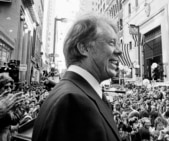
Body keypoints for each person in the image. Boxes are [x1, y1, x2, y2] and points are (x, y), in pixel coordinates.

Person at [32, 13, 122, 141]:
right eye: (112, 43)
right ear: (83, 48)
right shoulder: (74, 102)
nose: (119, 51)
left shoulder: (76, 94)